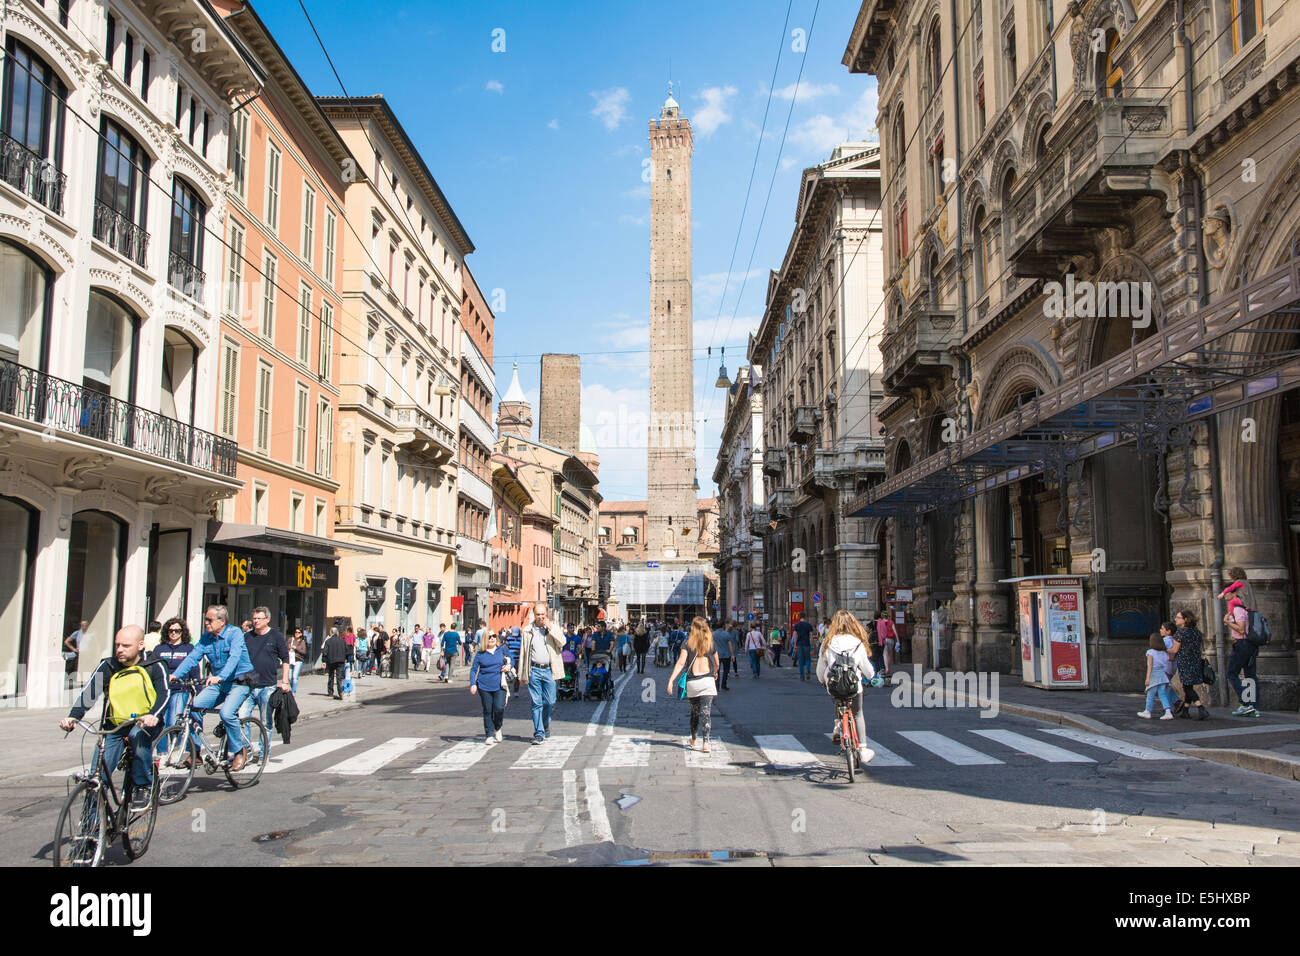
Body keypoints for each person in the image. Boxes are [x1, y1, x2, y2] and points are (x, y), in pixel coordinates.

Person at [60, 624, 170, 812]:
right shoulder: (109, 665)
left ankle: (142, 785)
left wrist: (153, 715)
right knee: (97, 778)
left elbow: (164, 695)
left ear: (141, 645)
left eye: (126, 645)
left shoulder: (155, 664)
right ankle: (91, 830)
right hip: (115, 725)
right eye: (117, 645)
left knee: (138, 734)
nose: (119, 650)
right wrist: (72, 717)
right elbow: (88, 694)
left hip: (146, 723)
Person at [170, 606, 254, 771]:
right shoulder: (206, 638)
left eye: (209, 620)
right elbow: (193, 657)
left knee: (226, 713)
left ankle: (239, 750)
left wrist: (220, 676)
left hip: (239, 682)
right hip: (219, 683)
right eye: (205, 619)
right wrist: (175, 675)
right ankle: (195, 752)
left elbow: (234, 657)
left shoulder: (234, 633)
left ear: (222, 621)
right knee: (194, 708)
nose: (206, 623)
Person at [816, 609, 876, 767]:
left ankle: (837, 726)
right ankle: (862, 749)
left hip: (834, 684)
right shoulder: (857, 642)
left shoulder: (828, 642)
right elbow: (867, 669)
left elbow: (820, 667)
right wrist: (872, 677)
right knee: (857, 713)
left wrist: (822, 680)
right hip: (853, 684)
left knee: (838, 696)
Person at [238, 607, 291, 749]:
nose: (255, 621)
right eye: (254, 618)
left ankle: (263, 753)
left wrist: (285, 681)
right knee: (242, 718)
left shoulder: (276, 636)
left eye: (259, 618)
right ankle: (245, 751)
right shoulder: (247, 637)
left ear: (267, 619)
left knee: (265, 721)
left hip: (268, 685)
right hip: (248, 684)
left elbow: (285, 659)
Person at [666, 617, 720, 752]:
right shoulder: (710, 643)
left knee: (694, 713)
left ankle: (694, 739)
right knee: (706, 713)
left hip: (693, 682)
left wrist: (671, 680)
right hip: (707, 681)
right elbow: (717, 662)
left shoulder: (687, 643)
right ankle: (706, 743)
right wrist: (715, 672)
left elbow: (680, 663)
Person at [519, 603, 565, 744]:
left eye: (543, 615)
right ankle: (539, 733)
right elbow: (523, 653)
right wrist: (521, 674)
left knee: (550, 702)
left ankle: (545, 724)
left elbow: (562, 642)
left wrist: (550, 628)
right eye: (538, 615)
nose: (540, 617)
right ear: (534, 615)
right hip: (534, 670)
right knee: (536, 703)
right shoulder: (527, 630)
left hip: (549, 670)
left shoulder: (552, 628)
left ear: (547, 615)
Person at [1219, 571, 1261, 717]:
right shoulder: (1245, 607)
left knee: (1231, 673)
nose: (1225, 595)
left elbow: (1241, 629)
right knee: (1250, 675)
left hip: (1242, 644)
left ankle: (1245, 702)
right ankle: (1253, 707)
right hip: (1250, 644)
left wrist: (1227, 623)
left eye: (1227, 593)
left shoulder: (1237, 608)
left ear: (1234, 593)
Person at [153, 617, 194, 737]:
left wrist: (199, 689)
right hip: (162, 689)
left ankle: (175, 749)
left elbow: (194, 669)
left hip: (180, 689)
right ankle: (162, 752)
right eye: (171, 631)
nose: (174, 633)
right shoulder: (159, 649)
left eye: (177, 631)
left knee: (173, 721)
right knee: (160, 721)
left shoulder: (188, 648)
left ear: (182, 632)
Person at [470, 631, 509, 745]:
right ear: (485, 639)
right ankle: (489, 734)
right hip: (484, 685)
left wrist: (509, 665)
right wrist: (473, 683)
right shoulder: (480, 654)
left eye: (494, 636)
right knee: (487, 710)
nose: (492, 638)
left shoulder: (502, 649)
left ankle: (498, 727)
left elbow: (512, 659)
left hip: (499, 685)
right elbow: (473, 669)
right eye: (489, 637)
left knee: (499, 708)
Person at [1170, 609, 1210, 721]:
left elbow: (1174, 649)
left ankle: (1201, 708)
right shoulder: (1196, 632)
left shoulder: (1180, 633)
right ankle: (1185, 711)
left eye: (1178, 618)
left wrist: (1163, 648)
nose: (1176, 619)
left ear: (1185, 620)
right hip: (1195, 660)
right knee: (1188, 685)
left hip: (1184, 661)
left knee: (1187, 686)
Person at [1137, 633, 1177, 719]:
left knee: (1150, 693)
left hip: (1154, 674)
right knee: (1162, 694)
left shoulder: (1150, 652)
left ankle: (1147, 711)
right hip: (1162, 674)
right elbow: (1169, 660)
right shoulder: (1164, 653)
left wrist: (1147, 678)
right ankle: (1168, 711)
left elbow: (1150, 666)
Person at [322, 627, 348, 699]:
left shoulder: (328, 641)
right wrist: (345, 658)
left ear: (331, 633)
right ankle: (340, 692)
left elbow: (325, 652)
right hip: (341, 661)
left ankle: (330, 692)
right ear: (337, 633)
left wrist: (323, 661)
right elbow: (347, 650)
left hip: (331, 661)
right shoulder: (342, 641)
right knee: (339, 677)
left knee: (331, 676)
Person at [63, 620, 89, 686]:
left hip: (88, 653)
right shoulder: (78, 633)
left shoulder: (91, 633)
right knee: (77, 666)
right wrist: (73, 649)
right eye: (82, 625)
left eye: (85, 625)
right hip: (80, 653)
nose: (84, 627)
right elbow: (66, 641)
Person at [711, 621, 735, 691]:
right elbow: (730, 645)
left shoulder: (713, 634)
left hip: (716, 655)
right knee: (726, 670)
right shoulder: (727, 634)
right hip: (726, 655)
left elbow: (710, 645)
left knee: (716, 670)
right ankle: (723, 685)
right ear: (723, 626)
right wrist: (732, 654)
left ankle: (716, 685)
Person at [793, 614, 815, 681]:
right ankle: (808, 670)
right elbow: (811, 636)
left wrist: (795, 645)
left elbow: (795, 635)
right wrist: (812, 645)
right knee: (808, 659)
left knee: (801, 661)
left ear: (799, 618)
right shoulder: (808, 625)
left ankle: (802, 677)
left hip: (799, 644)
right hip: (807, 644)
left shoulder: (796, 625)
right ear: (805, 617)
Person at [287, 627, 308, 694]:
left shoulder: (302, 642)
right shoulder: (290, 639)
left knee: (294, 677)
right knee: (290, 678)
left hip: (298, 660)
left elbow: (304, 651)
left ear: (301, 634)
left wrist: (296, 648)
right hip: (290, 659)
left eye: (298, 632)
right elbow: (285, 647)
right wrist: (288, 647)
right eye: (296, 632)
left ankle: (293, 692)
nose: (297, 633)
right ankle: (292, 688)